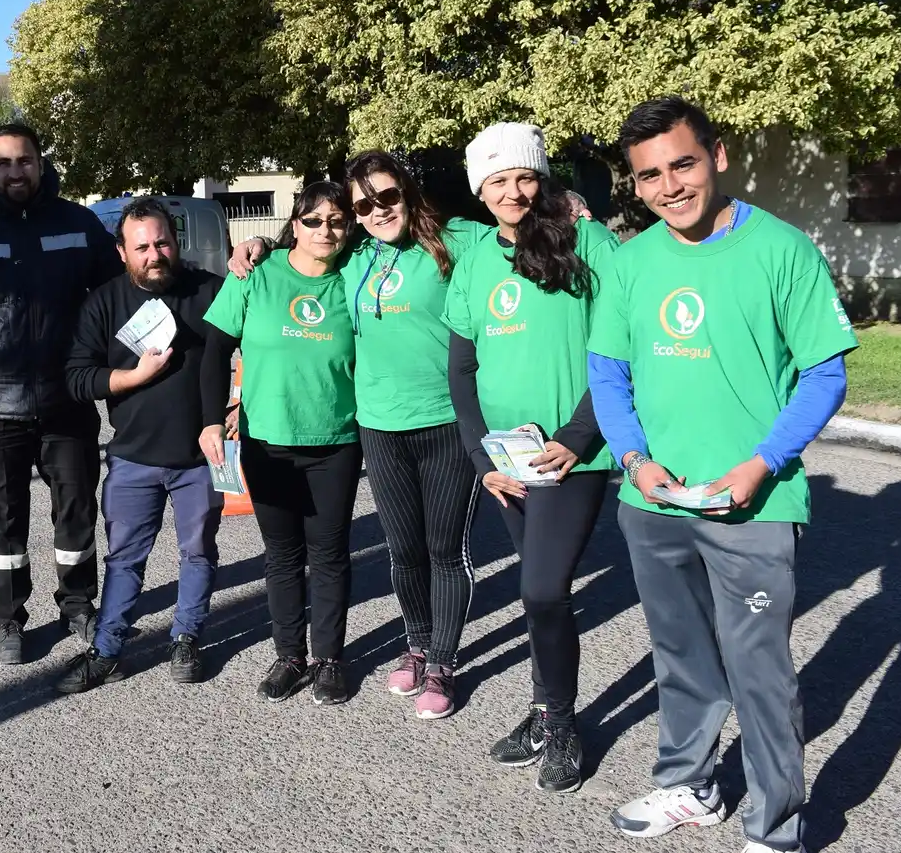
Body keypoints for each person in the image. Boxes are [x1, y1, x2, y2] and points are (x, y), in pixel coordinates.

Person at [587, 97, 857, 853]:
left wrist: (762, 463)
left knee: (759, 670)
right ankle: (691, 783)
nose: (670, 185)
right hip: (655, 500)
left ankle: (774, 827)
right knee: (680, 656)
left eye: (683, 163)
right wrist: (635, 460)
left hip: (755, 502)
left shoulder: (782, 249)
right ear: (635, 187)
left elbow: (823, 374)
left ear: (719, 155)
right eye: (650, 175)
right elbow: (608, 374)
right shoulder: (631, 262)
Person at [229, 153, 491, 719]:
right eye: (362, 205)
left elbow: (517, 238)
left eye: (387, 197)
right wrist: (258, 249)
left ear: (409, 193)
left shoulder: (457, 242)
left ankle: (443, 663)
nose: (375, 212)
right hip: (378, 424)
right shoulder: (356, 259)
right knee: (403, 550)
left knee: (445, 551)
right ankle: (417, 646)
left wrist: (565, 211)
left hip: (446, 420)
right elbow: (305, 259)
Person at [442, 122, 619, 795]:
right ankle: (547, 709)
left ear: (541, 177)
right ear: (479, 190)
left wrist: (577, 437)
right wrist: (479, 453)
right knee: (537, 589)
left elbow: (618, 348)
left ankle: (563, 722)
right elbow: (462, 369)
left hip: (572, 456)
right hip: (504, 461)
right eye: (497, 180)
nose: (513, 190)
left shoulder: (585, 238)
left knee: (542, 589)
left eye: (523, 176)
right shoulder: (475, 261)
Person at [0, 123, 123, 665]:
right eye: (4, 163)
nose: (15, 171)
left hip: (68, 400)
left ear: (40, 164)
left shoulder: (78, 224)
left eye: (24, 161)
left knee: (75, 510)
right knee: (3, 517)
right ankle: (9, 620)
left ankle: (78, 604)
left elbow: (118, 298)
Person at [58, 198, 231, 693]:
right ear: (122, 252)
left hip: (203, 459)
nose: (154, 254)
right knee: (124, 559)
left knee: (198, 552)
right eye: (142, 247)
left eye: (162, 242)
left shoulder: (210, 291)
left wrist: (238, 407)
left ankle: (186, 638)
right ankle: (107, 649)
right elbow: (76, 378)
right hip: (133, 458)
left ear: (175, 243)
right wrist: (133, 376)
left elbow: (257, 343)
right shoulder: (104, 304)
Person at [205, 180, 361, 706]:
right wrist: (210, 419)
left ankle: (330, 658)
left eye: (337, 220)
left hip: (336, 439)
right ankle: (290, 655)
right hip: (268, 439)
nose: (325, 230)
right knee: (282, 554)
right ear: (294, 224)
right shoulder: (257, 273)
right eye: (313, 220)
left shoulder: (356, 278)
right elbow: (215, 349)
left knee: (331, 553)